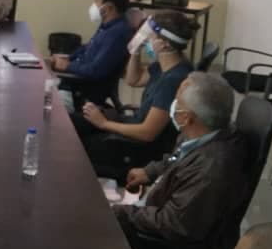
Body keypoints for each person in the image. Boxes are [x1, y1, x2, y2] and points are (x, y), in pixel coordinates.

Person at [115, 73, 251, 249]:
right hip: (162, 213)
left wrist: (122, 213)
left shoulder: (211, 169)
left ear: (187, 117)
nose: (173, 104)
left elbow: (172, 224)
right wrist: (150, 171)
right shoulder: (204, 133)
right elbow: (178, 158)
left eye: (177, 101)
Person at [74, 10, 197, 175]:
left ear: (164, 44)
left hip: (141, 150)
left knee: (77, 146)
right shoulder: (166, 66)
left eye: (149, 36)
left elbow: (148, 133)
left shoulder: (173, 80)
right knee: (76, 122)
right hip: (133, 127)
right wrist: (135, 50)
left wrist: (104, 124)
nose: (146, 39)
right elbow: (134, 79)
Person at [51, 0, 132, 108]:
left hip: (82, 92)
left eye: (97, 0)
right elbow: (88, 47)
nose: (94, 4)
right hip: (75, 82)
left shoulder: (117, 33)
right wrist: (68, 58)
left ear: (109, 7)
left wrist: (67, 66)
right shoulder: (107, 27)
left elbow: (95, 70)